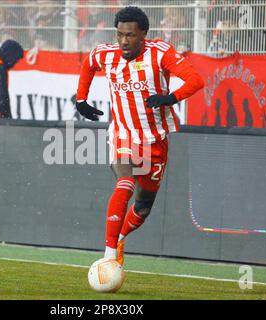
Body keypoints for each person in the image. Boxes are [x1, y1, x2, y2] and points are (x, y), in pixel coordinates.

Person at [75, 6, 204, 265]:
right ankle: (109, 256)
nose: (124, 41)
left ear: (143, 33)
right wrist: (81, 99)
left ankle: (121, 237)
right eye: (120, 34)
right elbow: (89, 64)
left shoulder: (160, 53)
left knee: (143, 208)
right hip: (123, 134)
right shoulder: (107, 54)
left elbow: (195, 80)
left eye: (130, 35)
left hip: (156, 140)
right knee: (125, 182)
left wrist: (170, 97)